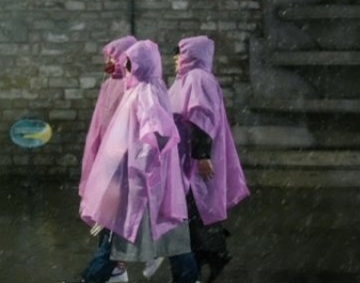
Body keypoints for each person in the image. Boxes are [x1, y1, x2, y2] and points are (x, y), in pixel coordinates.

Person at [70, 40, 199, 283]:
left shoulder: (146, 92)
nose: (126, 68)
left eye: (130, 63)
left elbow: (157, 134)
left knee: (119, 234)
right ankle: (188, 278)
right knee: (168, 233)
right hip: (146, 180)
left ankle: (93, 278)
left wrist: (143, 165)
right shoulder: (146, 88)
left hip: (140, 180)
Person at [168, 36, 249, 282]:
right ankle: (207, 257)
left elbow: (200, 117)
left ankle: (209, 256)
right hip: (186, 158)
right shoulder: (188, 79)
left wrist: (201, 155)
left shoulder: (196, 79)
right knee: (195, 211)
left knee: (194, 210)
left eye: (180, 53)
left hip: (192, 160)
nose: (175, 59)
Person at [78, 36, 137, 283]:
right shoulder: (110, 85)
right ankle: (113, 266)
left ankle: (106, 267)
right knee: (108, 216)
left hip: (118, 162)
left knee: (113, 218)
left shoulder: (130, 87)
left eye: (114, 57)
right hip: (108, 162)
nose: (109, 62)